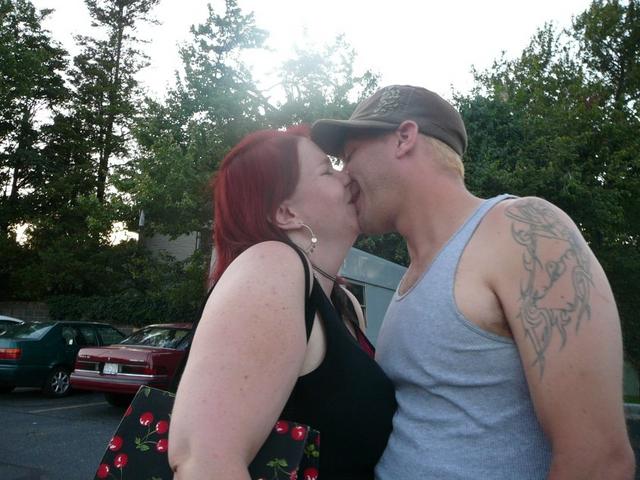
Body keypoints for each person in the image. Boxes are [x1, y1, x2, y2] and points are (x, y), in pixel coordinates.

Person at [311, 85, 636, 479]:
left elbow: (599, 460)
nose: (344, 177)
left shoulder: (524, 230)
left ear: (403, 138)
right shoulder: (410, 278)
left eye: (349, 156)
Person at [168, 125, 396, 479]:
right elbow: (203, 462)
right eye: (327, 170)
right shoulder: (272, 265)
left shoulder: (346, 304)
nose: (347, 175)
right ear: (286, 213)